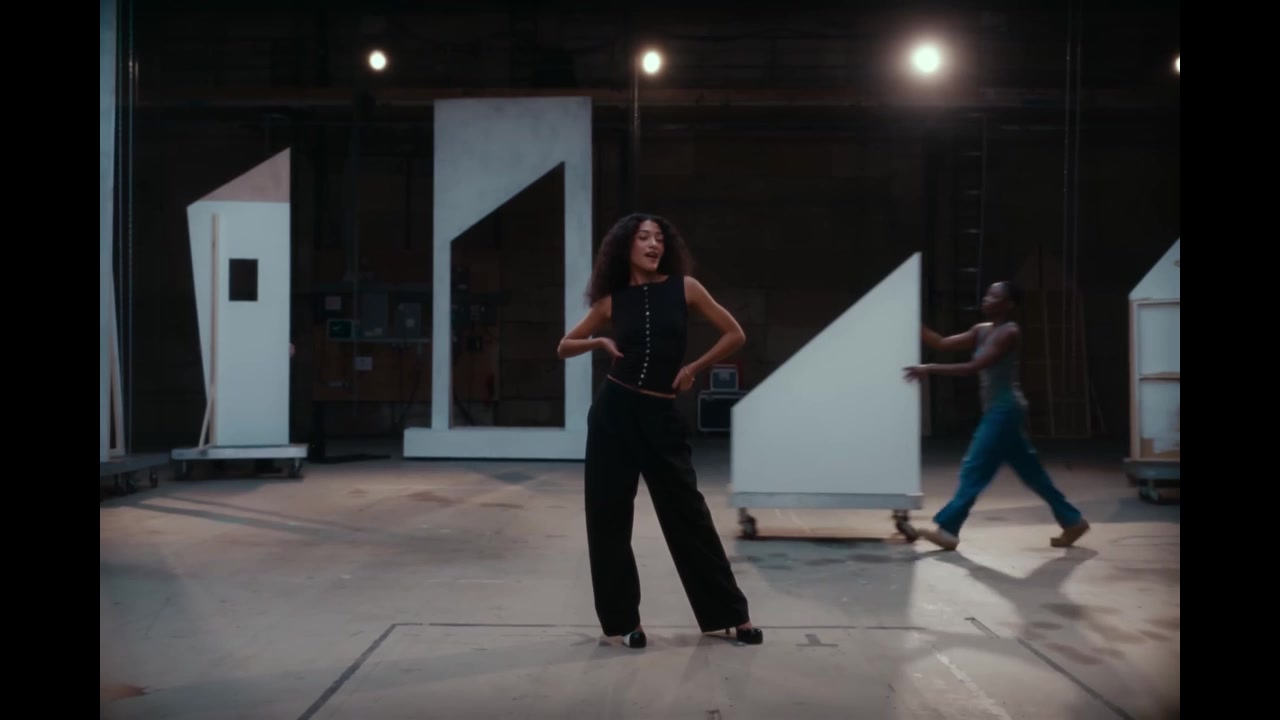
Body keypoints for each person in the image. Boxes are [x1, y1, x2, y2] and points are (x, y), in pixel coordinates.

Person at [557, 213, 763, 649]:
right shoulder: (611, 301)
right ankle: (623, 623)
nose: (654, 244)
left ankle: (730, 616)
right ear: (625, 247)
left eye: (659, 238)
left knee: (689, 514)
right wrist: (598, 341)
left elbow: (734, 334)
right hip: (613, 414)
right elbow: (564, 346)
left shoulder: (686, 288)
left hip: (660, 415)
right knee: (609, 516)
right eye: (643, 237)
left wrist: (692, 368)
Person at [903, 280, 1090, 551]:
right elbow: (940, 342)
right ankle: (1073, 521)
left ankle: (948, 530)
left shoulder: (1009, 332)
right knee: (1032, 473)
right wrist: (911, 321)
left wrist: (929, 368)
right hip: (999, 410)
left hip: (1005, 410)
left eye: (994, 296)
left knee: (974, 466)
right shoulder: (981, 330)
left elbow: (973, 367)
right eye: (987, 294)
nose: (986, 299)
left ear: (1009, 304)